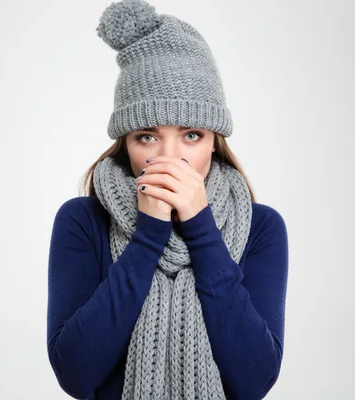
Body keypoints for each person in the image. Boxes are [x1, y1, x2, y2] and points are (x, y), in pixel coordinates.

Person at [46, 0, 289, 399]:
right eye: (147, 136)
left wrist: (202, 229)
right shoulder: (83, 220)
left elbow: (254, 381)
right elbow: (75, 373)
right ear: (126, 143)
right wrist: (147, 237)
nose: (168, 156)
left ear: (214, 142)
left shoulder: (261, 228)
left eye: (191, 134)